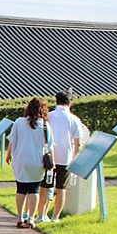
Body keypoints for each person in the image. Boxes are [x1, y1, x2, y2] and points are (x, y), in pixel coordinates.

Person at [6, 96, 54, 228]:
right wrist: (52, 162)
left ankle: (20, 216)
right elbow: (49, 146)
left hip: (20, 159)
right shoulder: (44, 125)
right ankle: (31, 218)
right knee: (34, 190)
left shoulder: (19, 122)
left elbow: (13, 140)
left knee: (21, 189)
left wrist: (9, 154)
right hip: (37, 161)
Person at [37, 91, 83, 223]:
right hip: (66, 157)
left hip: (49, 157)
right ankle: (55, 217)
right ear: (70, 103)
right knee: (61, 188)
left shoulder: (49, 116)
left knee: (45, 187)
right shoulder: (74, 119)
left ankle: (40, 215)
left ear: (56, 101)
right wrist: (76, 156)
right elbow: (77, 142)